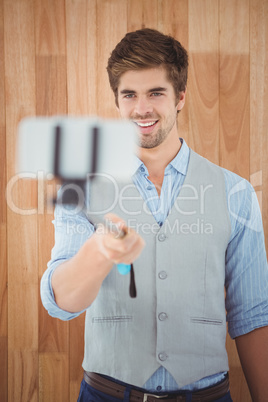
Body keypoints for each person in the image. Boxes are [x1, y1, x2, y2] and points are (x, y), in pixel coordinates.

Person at [41, 28, 268, 401]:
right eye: (129, 94)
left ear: (180, 97)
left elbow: (254, 316)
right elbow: (61, 303)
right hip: (107, 393)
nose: (142, 108)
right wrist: (99, 252)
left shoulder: (236, 192)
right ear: (117, 101)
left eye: (156, 93)